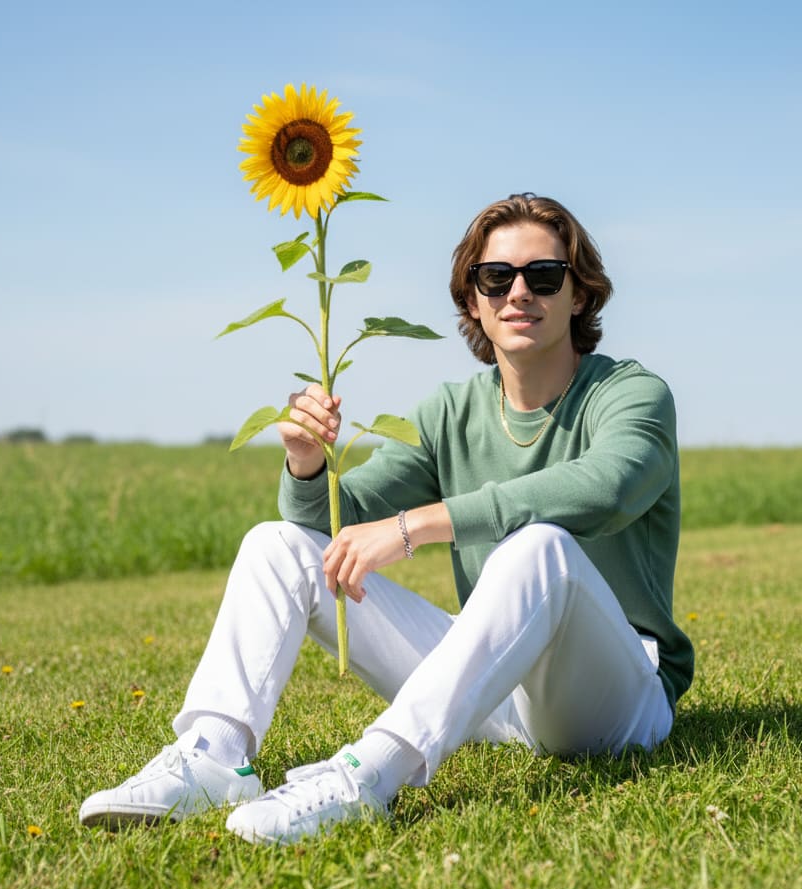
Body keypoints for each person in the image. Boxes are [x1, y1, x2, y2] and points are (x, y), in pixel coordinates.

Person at [79, 193, 694, 845]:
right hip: (496, 688)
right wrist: (307, 463)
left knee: (538, 545)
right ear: (473, 301)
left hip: (618, 693)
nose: (519, 292)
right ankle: (212, 756)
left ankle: (367, 773)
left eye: (544, 275)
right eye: (496, 277)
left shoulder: (632, 393)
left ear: (579, 295)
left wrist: (414, 527)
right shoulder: (449, 412)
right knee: (276, 544)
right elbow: (328, 521)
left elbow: (608, 486)